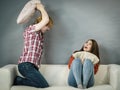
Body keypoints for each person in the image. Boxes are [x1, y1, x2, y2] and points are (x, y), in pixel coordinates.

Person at [13, 3, 53, 88]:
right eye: (48, 26)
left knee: (42, 85)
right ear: (42, 23)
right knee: (44, 85)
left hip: (31, 67)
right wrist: (41, 8)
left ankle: (19, 80)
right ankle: (18, 80)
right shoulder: (32, 29)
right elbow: (45, 19)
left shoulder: (39, 36)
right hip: (26, 65)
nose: (48, 29)